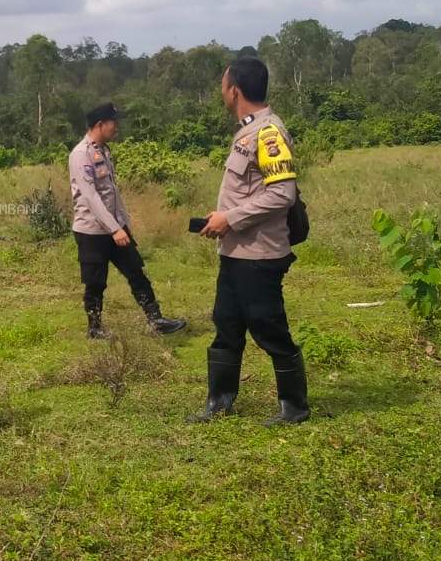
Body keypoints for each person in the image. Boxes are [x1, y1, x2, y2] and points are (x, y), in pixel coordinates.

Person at [189, 57, 310, 426]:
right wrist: (220, 218)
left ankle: (295, 406)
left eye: (223, 85)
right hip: (236, 252)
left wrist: (231, 218)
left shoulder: (269, 132)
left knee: (268, 326)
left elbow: (282, 195)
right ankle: (220, 401)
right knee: (225, 324)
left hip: (259, 254)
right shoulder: (247, 131)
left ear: (234, 90)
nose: (222, 92)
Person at [68, 102, 188, 339]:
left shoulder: (103, 150)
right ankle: (95, 329)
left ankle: (156, 320)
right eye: (114, 123)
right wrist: (114, 229)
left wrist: (123, 224)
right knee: (95, 282)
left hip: (115, 228)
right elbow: (91, 196)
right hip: (92, 231)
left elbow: (111, 191)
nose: (117, 127)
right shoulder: (80, 154)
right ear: (100, 125)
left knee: (136, 271)